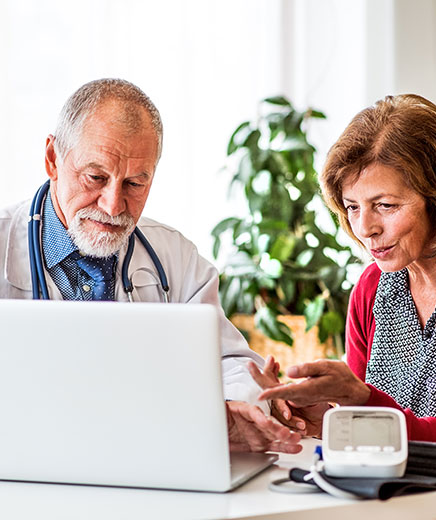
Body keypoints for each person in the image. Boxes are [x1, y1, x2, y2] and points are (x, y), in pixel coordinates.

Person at [0, 78, 301, 454]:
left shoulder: (176, 258)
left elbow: (230, 362)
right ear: (52, 160)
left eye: (134, 183)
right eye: (95, 177)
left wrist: (236, 407)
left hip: (148, 462)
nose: (112, 205)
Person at [250, 94, 436, 494]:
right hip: (392, 506)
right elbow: (373, 441)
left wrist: (359, 398)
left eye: (384, 205)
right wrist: (329, 421)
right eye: (352, 206)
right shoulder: (372, 288)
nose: (365, 227)